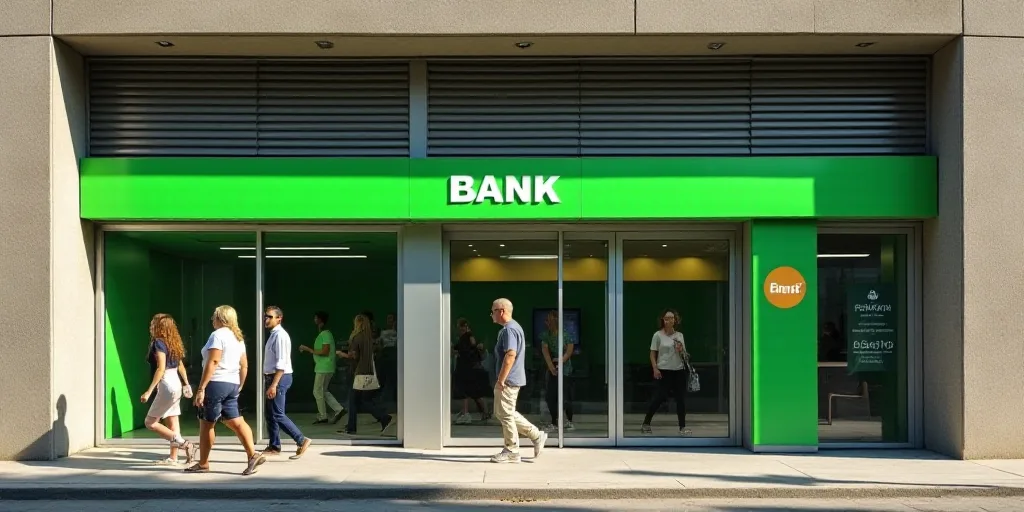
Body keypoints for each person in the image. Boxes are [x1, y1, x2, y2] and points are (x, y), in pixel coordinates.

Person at [185, 305, 265, 475]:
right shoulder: (238, 338)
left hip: (216, 383)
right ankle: (252, 455)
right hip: (232, 383)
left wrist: (201, 388)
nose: (212, 320)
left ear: (220, 319)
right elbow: (244, 365)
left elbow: (213, 362)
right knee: (236, 421)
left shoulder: (217, 335)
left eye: (214, 317)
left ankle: (203, 463)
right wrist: (239, 385)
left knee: (206, 424)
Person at [489, 298, 547, 463]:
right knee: (503, 412)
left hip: (508, 380)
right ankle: (536, 435)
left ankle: (512, 450)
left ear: (501, 311)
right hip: (512, 378)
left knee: (505, 414)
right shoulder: (514, 328)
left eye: (492, 311)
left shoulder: (509, 330)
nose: (491, 314)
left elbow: (510, 355)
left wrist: (501, 380)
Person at [140, 313, 197, 465]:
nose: (151, 325)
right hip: (176, 383)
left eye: (153, 323)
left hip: (166, 383)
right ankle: (173, 457)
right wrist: (186, 384)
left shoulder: (159, 343)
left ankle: (185, 444)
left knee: (150, 422)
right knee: (172, 421)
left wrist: (149, 390)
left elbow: (161, 368)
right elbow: (180, 366)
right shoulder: (173, 342)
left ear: (158, 327)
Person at [262, 306, 312, 459]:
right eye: (265, 316)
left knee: (277, 414)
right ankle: (274, 445)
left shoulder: (280, 336)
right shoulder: (273, 335)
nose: (266, 319)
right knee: (270, 414)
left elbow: (282, 363)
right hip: (272, 377)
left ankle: (301, 440)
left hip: (279, 378)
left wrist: (274, 385)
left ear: (279, 318)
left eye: (270, 317)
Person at [336, 314, 394, 435]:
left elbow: (354, 356)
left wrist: (342, 354)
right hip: (368, 372)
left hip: (358, 373)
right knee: (362, 400)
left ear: (358, 323)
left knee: (354, 401)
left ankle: (355, 427)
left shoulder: (356, 337)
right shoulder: (368, 338)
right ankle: (382, 418)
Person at [641, 308, 692, 436]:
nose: (668, 320)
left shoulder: (679, 336)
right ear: (663, 320)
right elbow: (653, 353)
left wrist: (681, 350)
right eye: (666, 318)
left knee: (681, 399)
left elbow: (685, 356)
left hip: (678, 370)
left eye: (671, 318)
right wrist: (655, 368)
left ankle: (682, 427)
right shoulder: (657, 335)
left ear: (675, 320)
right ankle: (646, 423)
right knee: (659, 397)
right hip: (663, 370)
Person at [300, 310, 346, 425]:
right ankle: (338, 409)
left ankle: (323, 416)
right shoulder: (325, 334)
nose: (314, 320)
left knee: (317, 391)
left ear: (320, 320)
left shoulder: (325, 334)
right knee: (323, 391)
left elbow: (325, 351)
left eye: (316, 318)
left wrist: (308, 350)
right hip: (326, 367)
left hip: (323, 367)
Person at [540, 310, 576, 433]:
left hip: (565, 369)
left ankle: (569, 421)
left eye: (549, 320)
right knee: (550, 396)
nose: (547, 323)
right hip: (552, 368)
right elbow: (545, 350)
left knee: (565, 396)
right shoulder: (546, 335)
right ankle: (554, 422)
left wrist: (561, 360)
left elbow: (570, 349)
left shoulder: (565, 334)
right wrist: (551, 366)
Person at [452, 318, 490, 425]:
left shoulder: (467, 337)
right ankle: (483, 412)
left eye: (459, 326)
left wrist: (456, 352)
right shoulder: (467, 337)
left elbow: (466, 351)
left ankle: (466, 413)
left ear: (463, 327)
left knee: (465, 391)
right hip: (470, 368)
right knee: (474, 392)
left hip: (467, 369)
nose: (458, 329)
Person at [377, 313, 399, 406]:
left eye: (391, 319)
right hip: (385, 359)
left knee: (396, 381)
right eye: (388, 318)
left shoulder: (400, 331)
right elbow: (380, 346)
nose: (389, 320)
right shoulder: (383, 332)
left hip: (395, 359)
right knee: (382, 380)